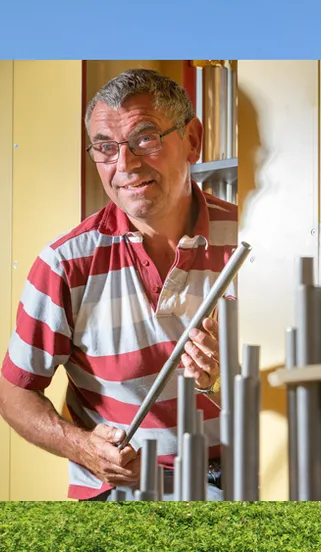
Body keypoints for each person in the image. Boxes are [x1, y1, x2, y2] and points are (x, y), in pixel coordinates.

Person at [0, 69, 237, 500]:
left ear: (193, 140)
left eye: (145, 138)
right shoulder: (64, 264)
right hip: (123, 491)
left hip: (248, 475)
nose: (124, 166)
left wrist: (233, 373)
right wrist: (84, 449)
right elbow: (14, 393)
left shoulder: (257, 237)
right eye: (106, 149)